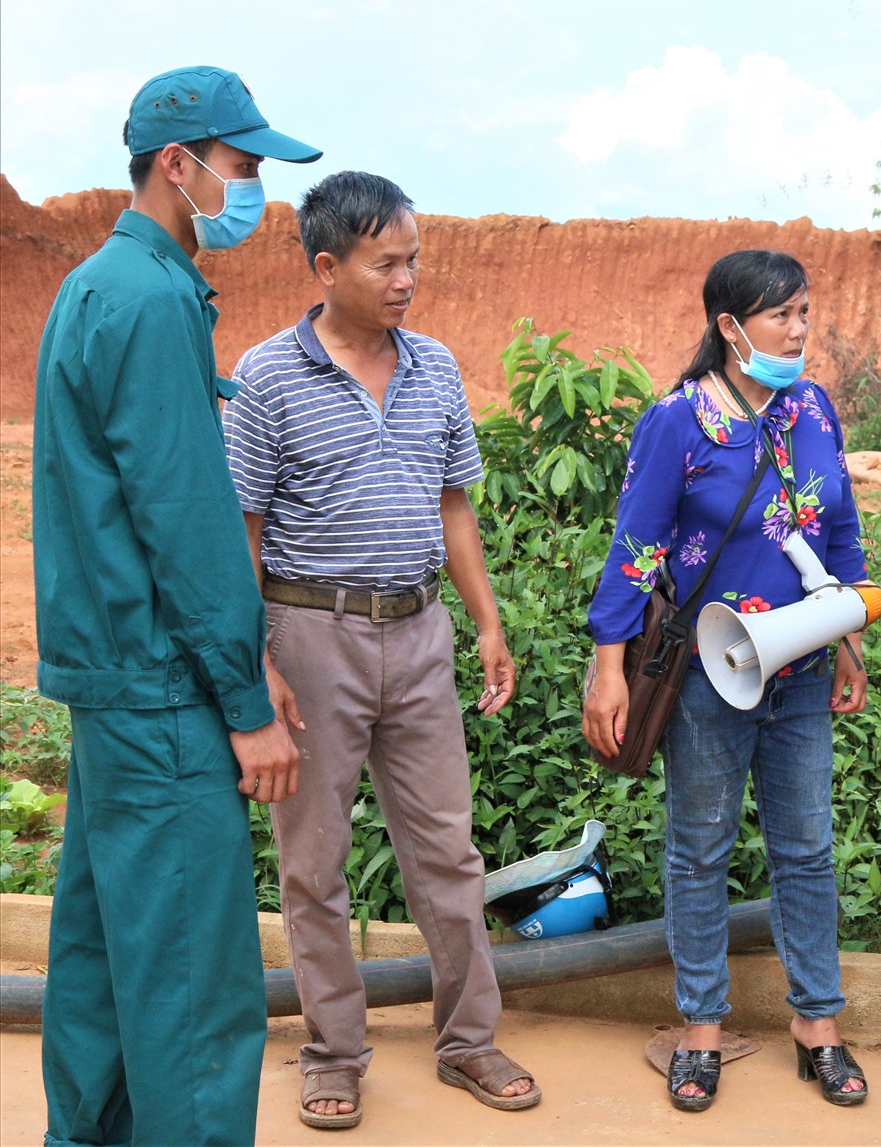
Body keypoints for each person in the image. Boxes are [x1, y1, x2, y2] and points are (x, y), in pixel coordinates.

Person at [33, 66, 318, 1145]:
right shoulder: (151, 301)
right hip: (162, 692)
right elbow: (187, 524)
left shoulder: (99, 284)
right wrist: (243, 700)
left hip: (113, 685)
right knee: (196, 986)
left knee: (108, 959)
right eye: (243, 167)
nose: (253, 190)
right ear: (178, 164)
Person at [223, 171, 537, 1129]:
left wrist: (486, 622)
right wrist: (260, 665)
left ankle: (470, 1041)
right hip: (312, 635)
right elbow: (242, 530)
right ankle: (332, 1052)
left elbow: (456, 509)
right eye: (386, 262)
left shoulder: (435, 367)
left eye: (414, 260)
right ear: (327, 266)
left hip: (420, 631)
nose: (407, 279)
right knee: (312, 861)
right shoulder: (270, 375)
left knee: (447, 849)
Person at [583, 249, 872, 1113]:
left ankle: (817, 1025)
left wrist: (850, 635)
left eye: (805, 313)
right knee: (700, 850)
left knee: (808, 850)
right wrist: (609, 666)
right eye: (781, 315)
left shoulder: (812, 407)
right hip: (710, 669)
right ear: (729, 327)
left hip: (804, 666)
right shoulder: (678, 421)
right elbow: (636, 545)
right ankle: (700, 1031)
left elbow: (842, 526)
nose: (799, 329)